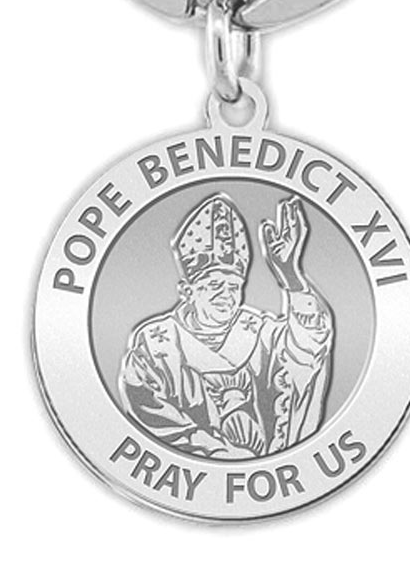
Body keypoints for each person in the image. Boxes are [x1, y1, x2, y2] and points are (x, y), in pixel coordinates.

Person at [118, 193, 333, 459]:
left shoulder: (260, 331)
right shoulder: (156, 344)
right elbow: (149, 409)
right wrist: (219, 454)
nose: (226, 295)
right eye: (214, 285)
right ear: (187, 291)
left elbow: (310, 346)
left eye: (233, 286)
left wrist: (291, 276)